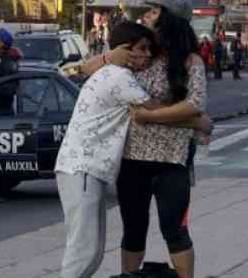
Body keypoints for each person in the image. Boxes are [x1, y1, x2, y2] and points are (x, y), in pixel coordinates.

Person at [55, 21, 209, 278]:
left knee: (92, 248)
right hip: (82, 167)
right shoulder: (120, 77)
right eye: (142, 48)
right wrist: (197, 121)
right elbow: (150, 110)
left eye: (151, 48)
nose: (148, 54)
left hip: (89, 169)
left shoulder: (116, 71)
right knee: (84, 248)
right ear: (126, 50)